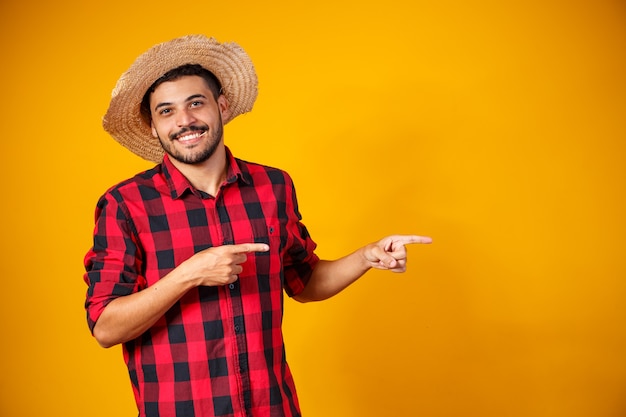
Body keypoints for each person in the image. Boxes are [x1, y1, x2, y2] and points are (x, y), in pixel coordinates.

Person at [84, 35, 432, 417]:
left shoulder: (273, 186)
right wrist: (188, 275)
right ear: (153, 127)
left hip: (272, 407)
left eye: (195, 103)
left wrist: (366, 257)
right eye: (166, 111)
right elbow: (106, 327)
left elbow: (305, 282)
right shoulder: (126, 204)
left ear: (221, 106)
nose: (184, 121)